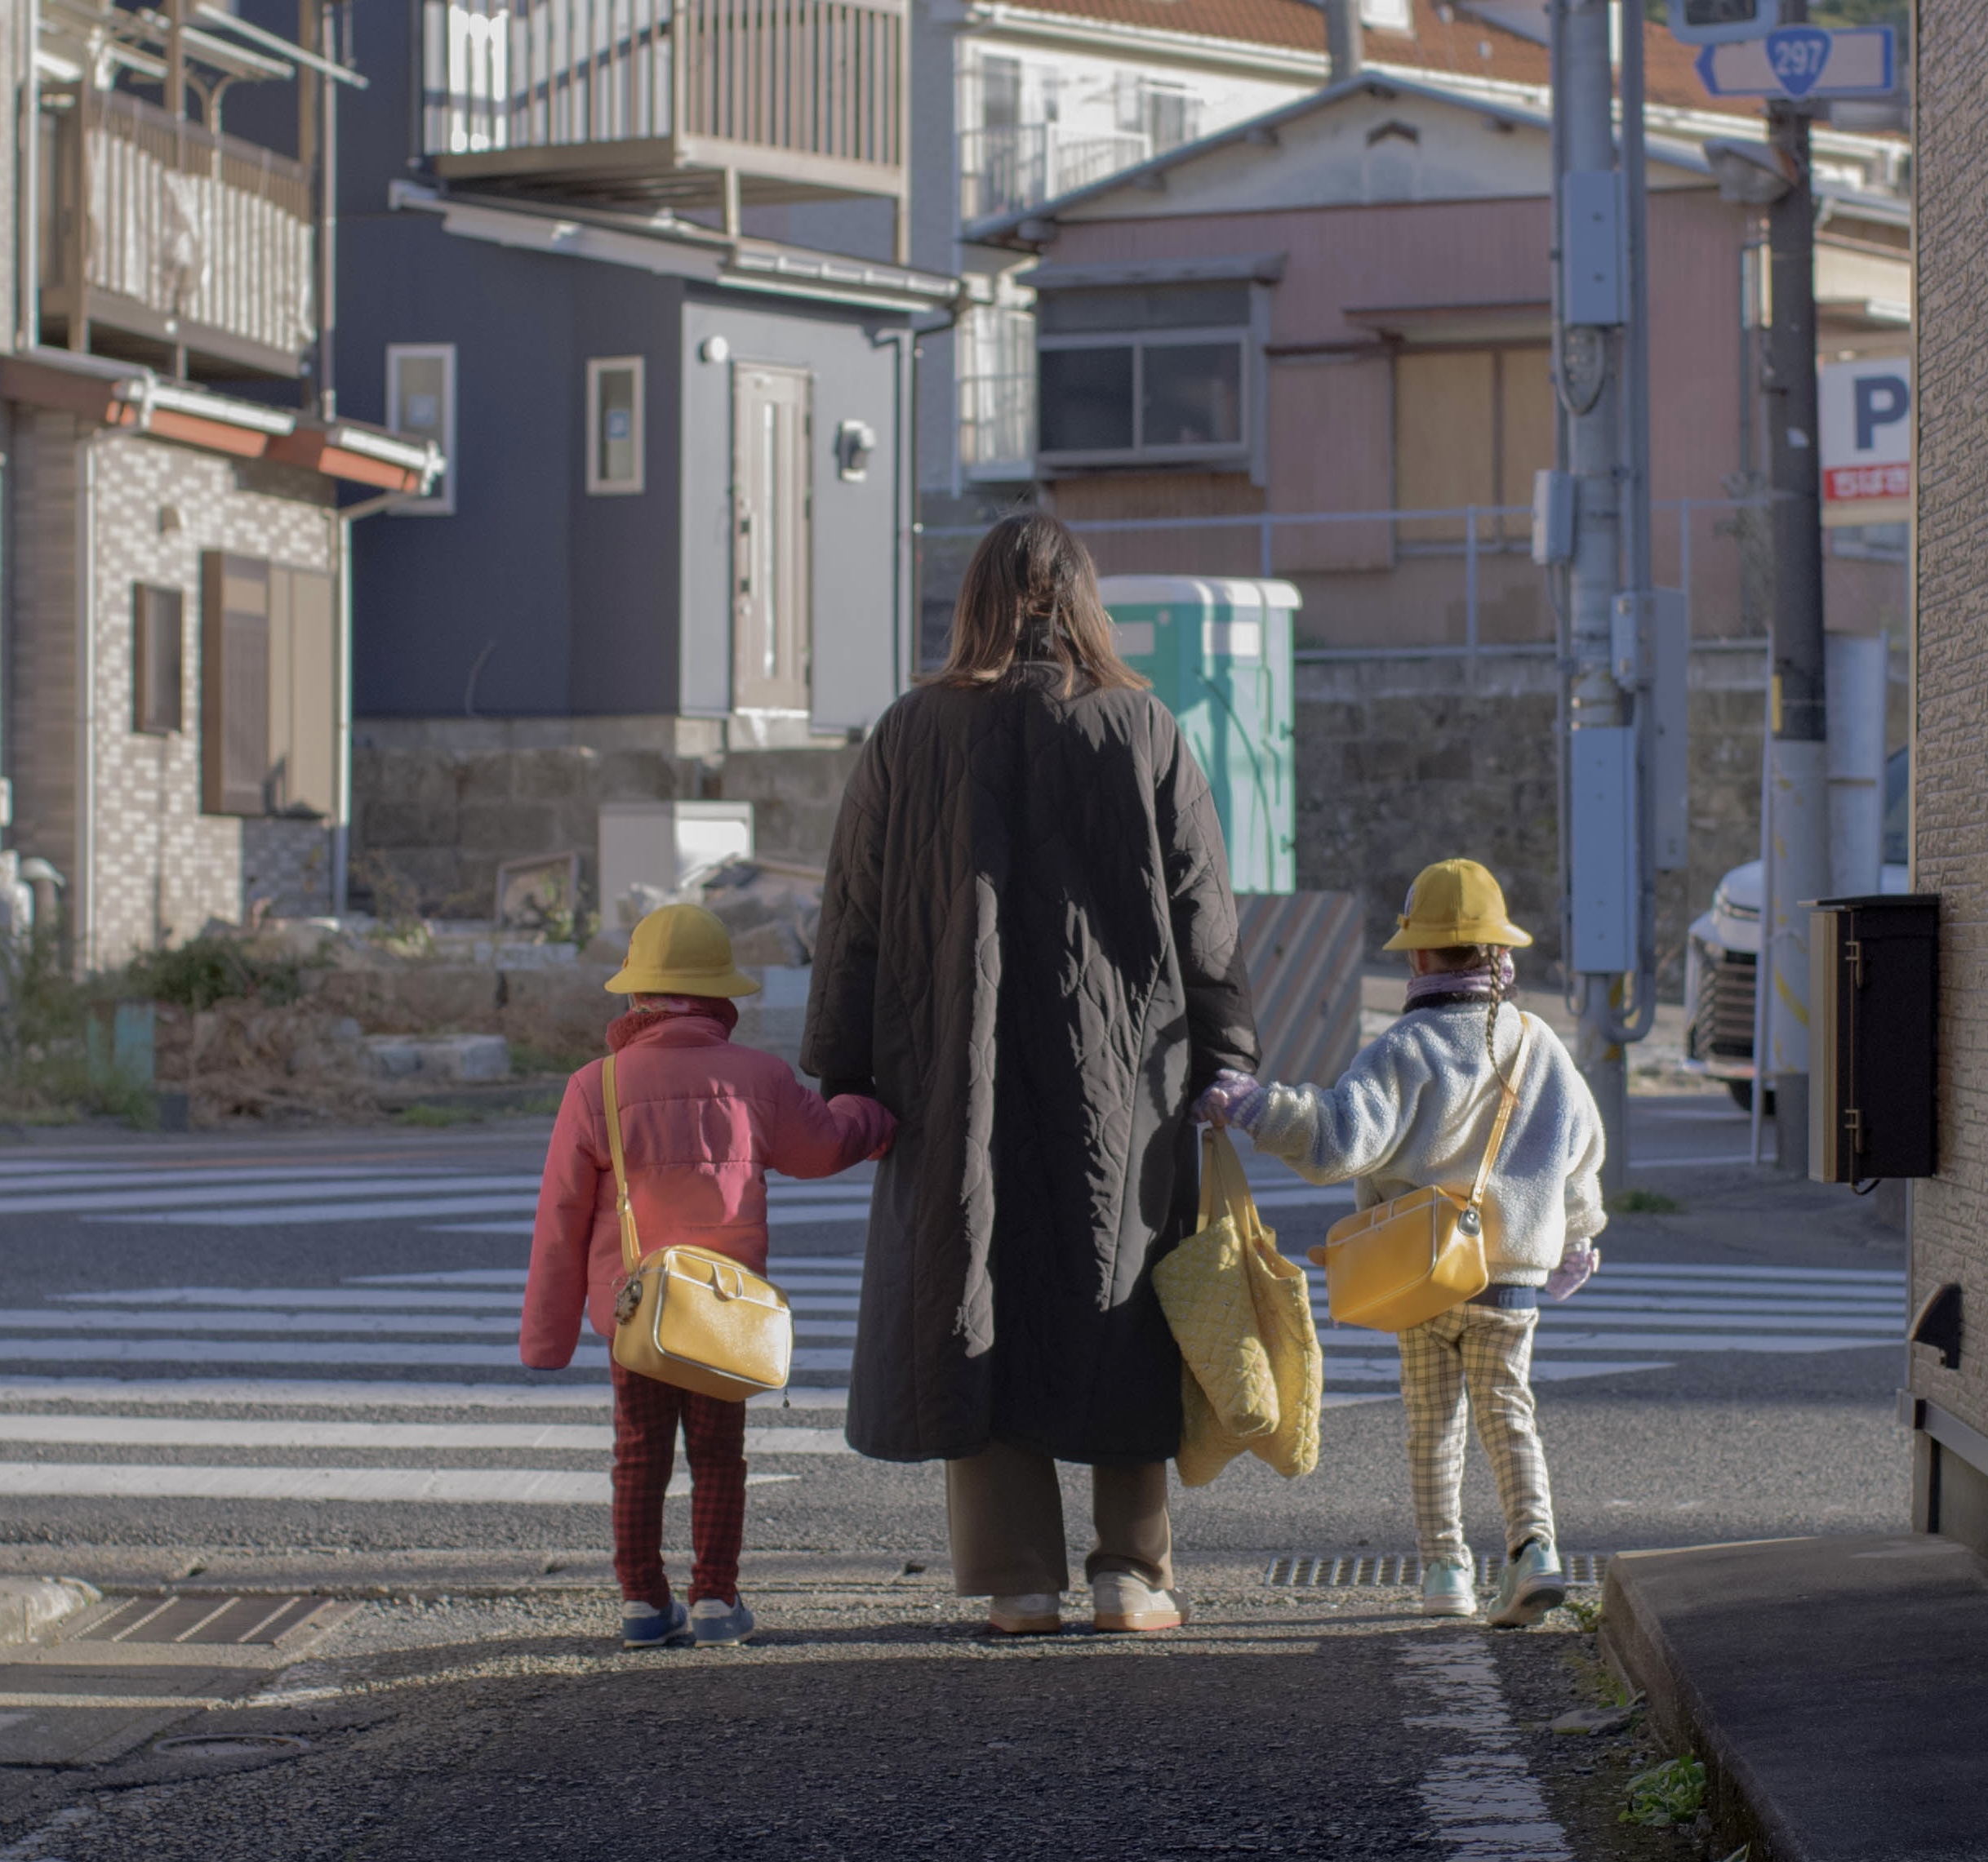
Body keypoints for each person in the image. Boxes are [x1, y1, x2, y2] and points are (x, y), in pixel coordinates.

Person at [804, 511, 1259, 1637]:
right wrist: (1225, 1053)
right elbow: (1203, 909)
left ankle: (1013, 1579)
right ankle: (1130, 1573)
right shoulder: (1142, 725)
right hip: (1126, 1070)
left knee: (975, 1285)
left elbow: (854, 912)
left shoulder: (911, 732)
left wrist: (846, 1070)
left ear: (971, 602)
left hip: (946, 1067)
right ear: (1086, 602)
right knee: (1117, 1292)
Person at [1197, 858, 1605, 1627]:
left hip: (1417, 1276)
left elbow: (1336, 1139)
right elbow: (1578, 1148)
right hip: (1510, 1275)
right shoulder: (1539, 1044)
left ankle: (1445, 1570)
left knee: (1430, 1426)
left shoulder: (1401, 1048)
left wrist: (1256, 1107)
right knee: (1508, 1411)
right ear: (1500, 953)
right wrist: (1581, 1233)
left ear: (1417, 956)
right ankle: (1535, 1551)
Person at [523, 903, 895, 1649]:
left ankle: (641, 1600)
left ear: (636, 998)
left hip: (636, 1311)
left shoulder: (593, 1086)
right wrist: (873, 1114)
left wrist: (547, 1338)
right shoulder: (756, 1076)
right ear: (721, 996)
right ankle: (716, 1598)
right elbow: (823, 1147)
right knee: (720, 1456)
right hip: (724, 1312)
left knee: (638, 1454)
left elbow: (560, 1219)